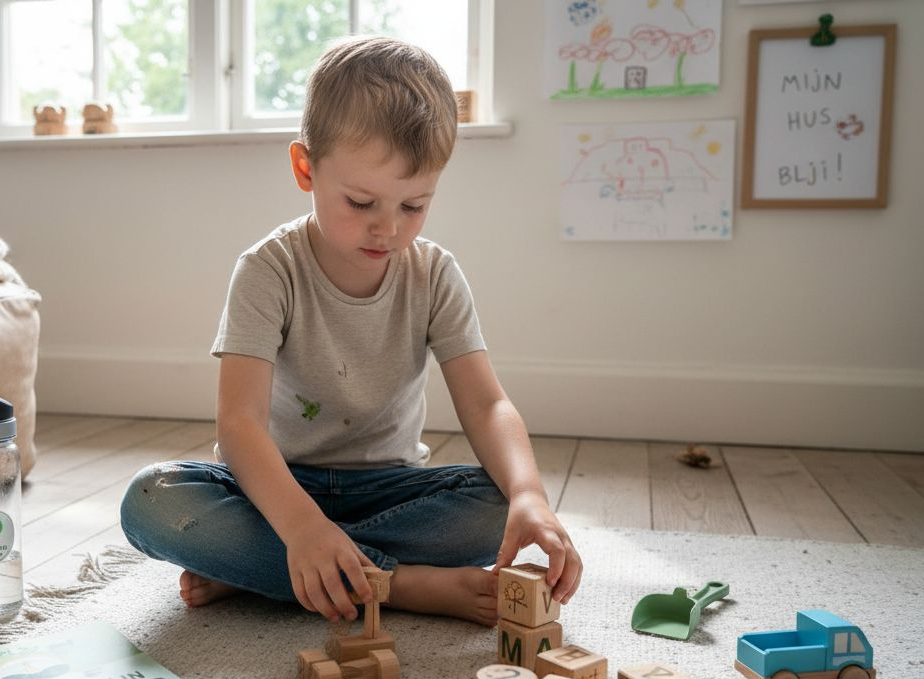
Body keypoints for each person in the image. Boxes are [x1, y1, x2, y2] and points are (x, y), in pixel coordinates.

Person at [121, 36, 582, 626]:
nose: (387, 228)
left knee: (497, 508)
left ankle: (270, 570)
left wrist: (529, 496)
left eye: (414, 206)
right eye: (361, 201)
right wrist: (302, 526)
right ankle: (396, 584)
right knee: (151, 501)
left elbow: (488, 403)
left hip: (390, 489)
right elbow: (239, 427)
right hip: (275, 491)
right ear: (305, 168)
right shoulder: (268, 270)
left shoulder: (434, 274)